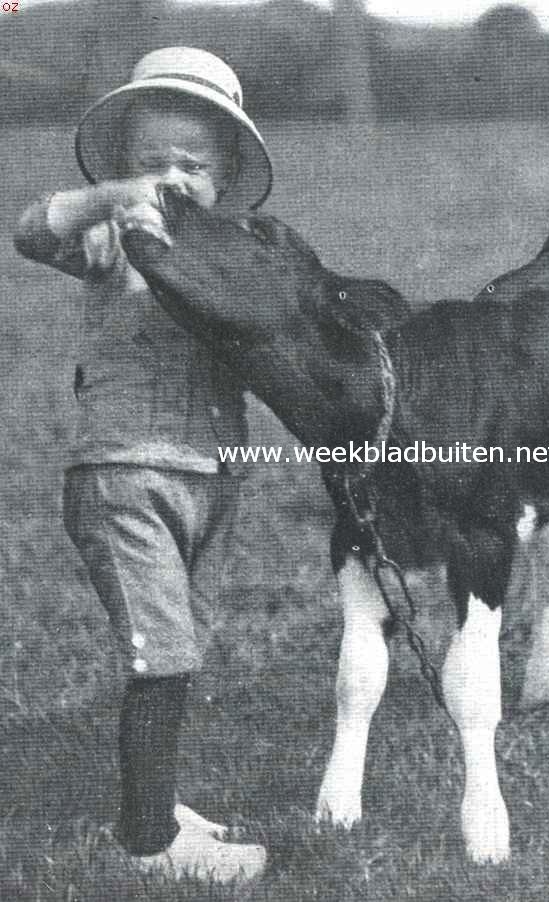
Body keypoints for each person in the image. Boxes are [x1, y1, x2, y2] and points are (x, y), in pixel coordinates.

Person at [14, 47, 273, 883]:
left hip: (212, 478)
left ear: (227, 175)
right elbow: (29, 231)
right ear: (120, 169)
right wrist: (109, 203)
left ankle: (153, 804)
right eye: (149, 161)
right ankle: (149, 846)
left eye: (193, 164)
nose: (171, 178)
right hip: (123, 476)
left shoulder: (236, 255)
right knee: (160, 652)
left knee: (183, 645)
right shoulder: (113, 240)